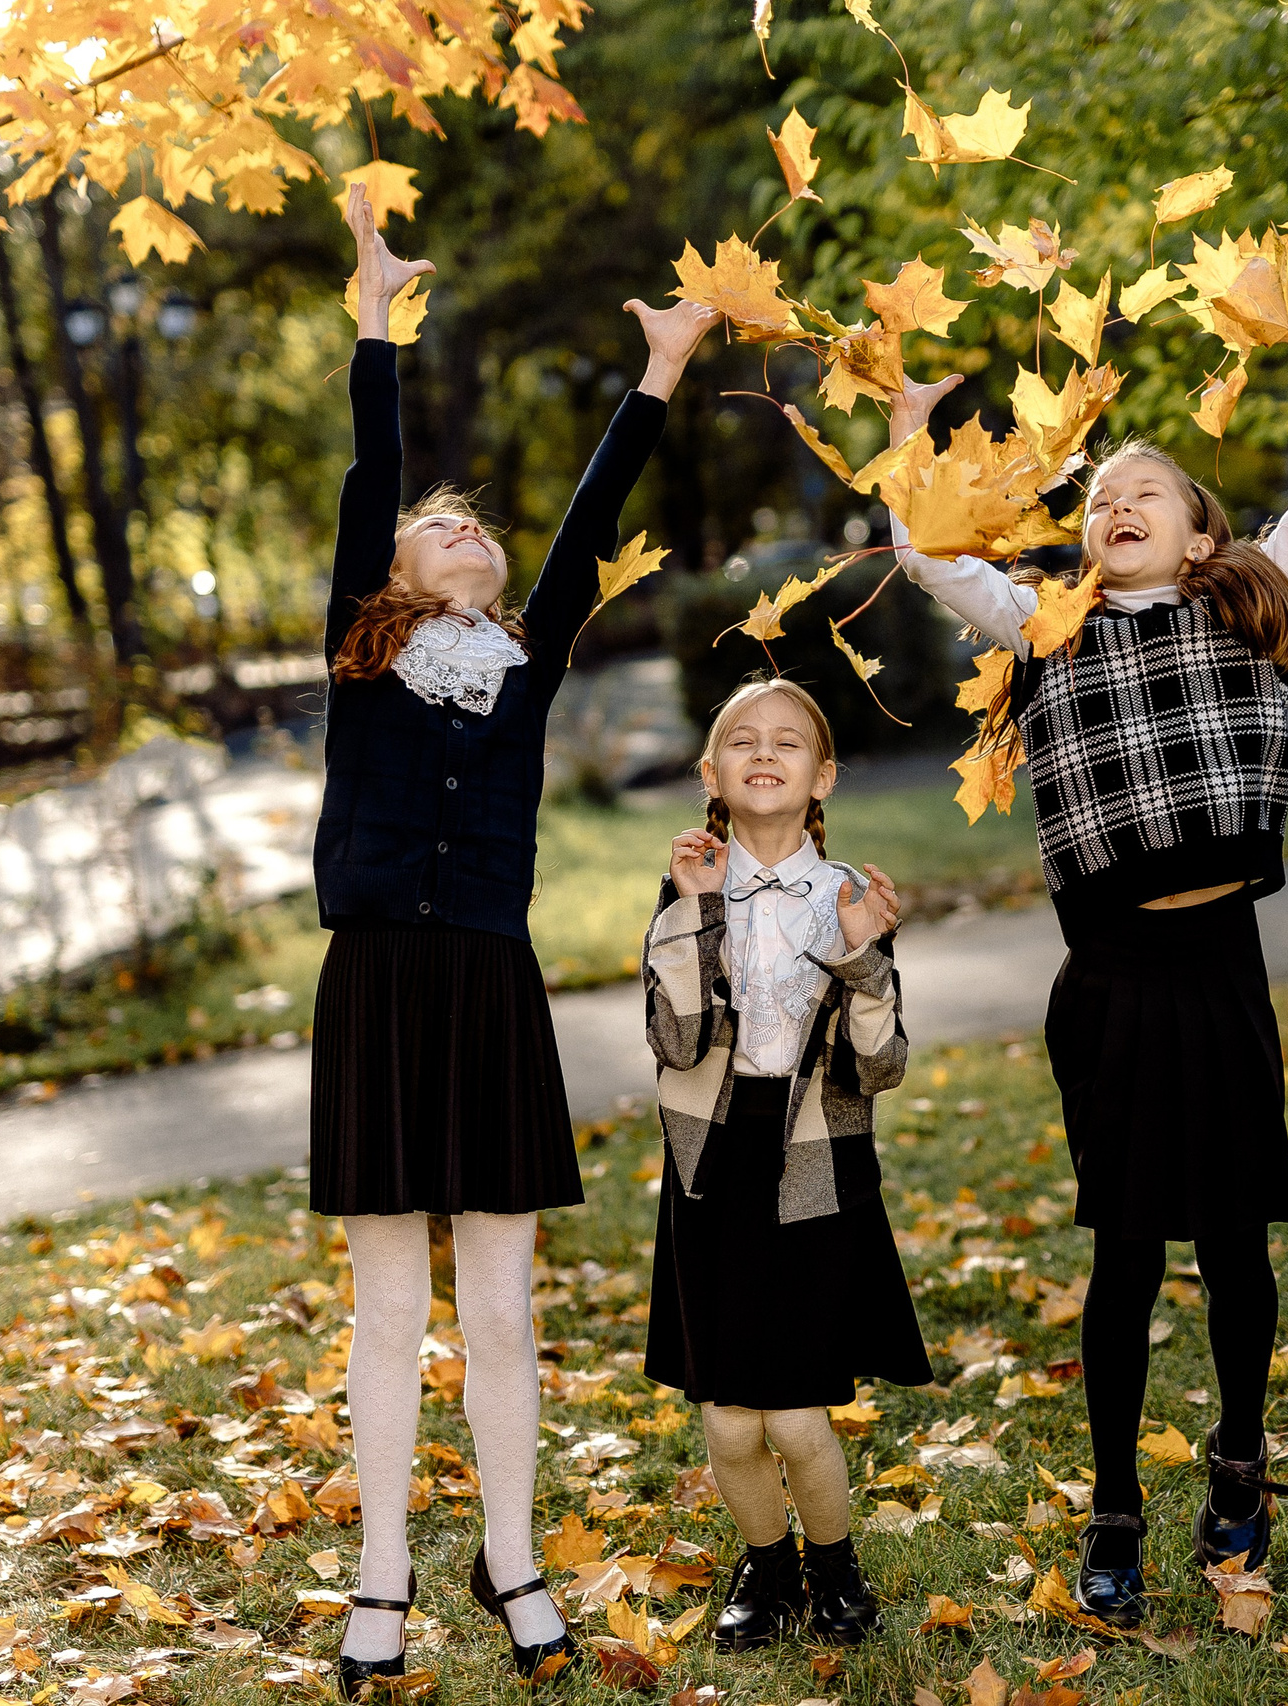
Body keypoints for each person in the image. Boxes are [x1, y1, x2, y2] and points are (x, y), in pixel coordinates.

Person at [881, 231, 1288, 1620]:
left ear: (1203, 533)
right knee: (1120, 1253)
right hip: (1110, 975)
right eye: (1103, 494)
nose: (1120, 502)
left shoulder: (1252, 604)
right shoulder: (1044, 622)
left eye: (1148, 492)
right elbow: (923, 553)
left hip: (1223, 968)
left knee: (1234, 1246)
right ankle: (1113, 1503)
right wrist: (908, 436)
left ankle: (1237, 1459)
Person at [311, 181, 720, 1693]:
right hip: (375, 983)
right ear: (399, 578)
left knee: (498, 1303)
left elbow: (590, 521)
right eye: (439, 535)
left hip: (489, 986)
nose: (464, 536)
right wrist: (373, 318)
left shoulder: (527, 665)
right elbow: (374, 469)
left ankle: (515, 1555)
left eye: (475, 533)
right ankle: (380, 1576)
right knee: (382, 1308)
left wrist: (661, 373)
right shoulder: (363, 661)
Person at [639, 678, 928, 1650]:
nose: (766, 752)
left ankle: (834, 1565)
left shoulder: (846, 893)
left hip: (815, 1165)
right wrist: (693, 914)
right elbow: (675, 1042)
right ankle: (766, 1567)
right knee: (728, 1424)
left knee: (799, 1418)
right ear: (712, 775)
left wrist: (864, 958)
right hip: (712, 1170)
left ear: (823, 775)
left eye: (789, 742)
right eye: (743, 741)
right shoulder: (686, 890)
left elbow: (879, 1063)